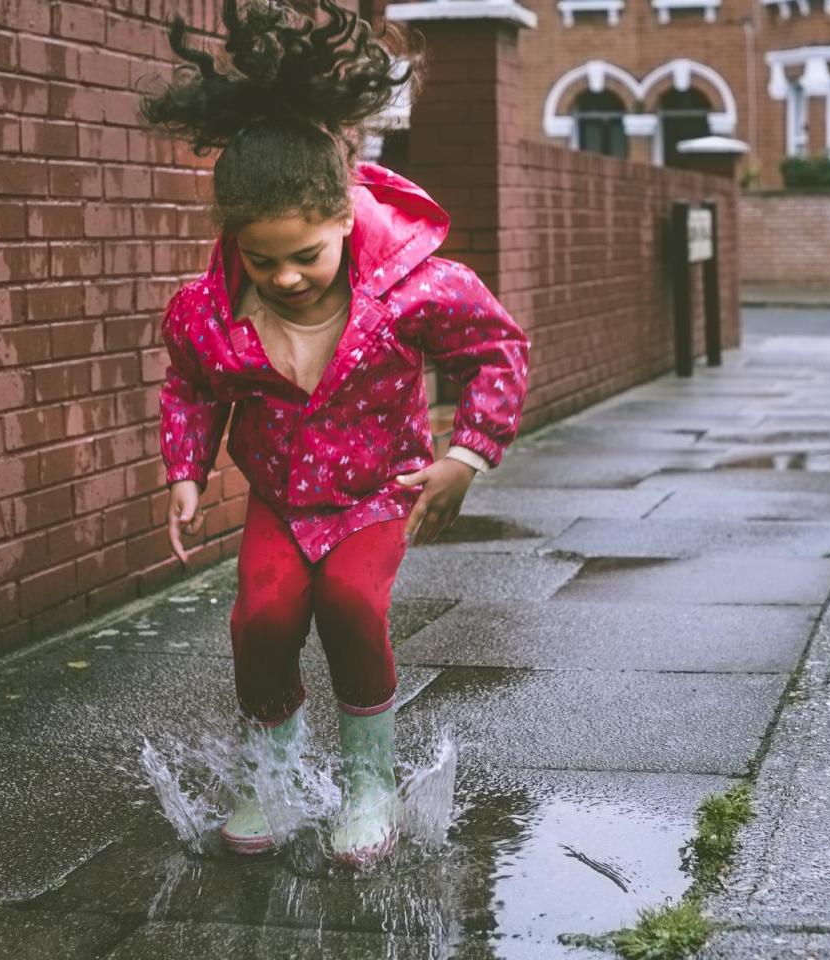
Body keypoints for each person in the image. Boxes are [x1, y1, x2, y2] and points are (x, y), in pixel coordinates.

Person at [140, 0, 529, 866]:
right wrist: (186, 469)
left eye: (305, 255)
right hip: (281, 500)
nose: (284, 277)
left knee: (352, 608)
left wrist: (466, 454)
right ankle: (272, 777)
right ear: (232, 241)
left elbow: (499, 351)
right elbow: (192, 388)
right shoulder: (207, 314)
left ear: (346, 219)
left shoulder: (414, 290)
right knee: (265, 619)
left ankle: (367, 783)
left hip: (374, 492)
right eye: (260, 257)